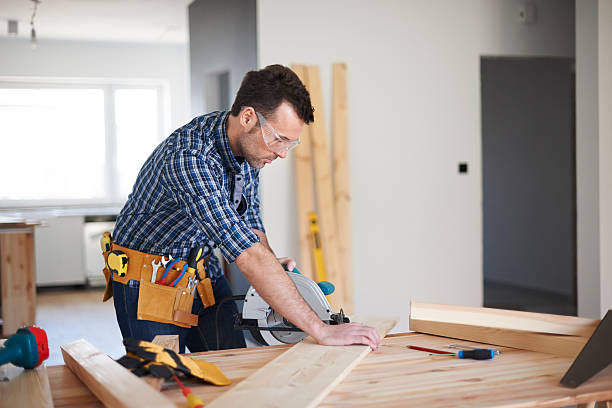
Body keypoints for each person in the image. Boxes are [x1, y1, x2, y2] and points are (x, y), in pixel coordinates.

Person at [109, 64, 380, 353]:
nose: (282, 152)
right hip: (150, 282)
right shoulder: (189, 158)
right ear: (249, 117)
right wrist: (321, 330)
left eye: (292, 143)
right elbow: (247, 254)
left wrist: (277, 270)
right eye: (279, 138)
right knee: (161, 380)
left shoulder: (248, 151)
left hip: (200, 271)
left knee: (233, 364)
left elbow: (251, 229)